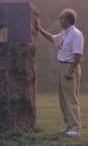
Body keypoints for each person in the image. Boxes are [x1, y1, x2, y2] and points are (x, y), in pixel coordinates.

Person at [35, 8, 84, 136]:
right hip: (61, 66)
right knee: (63, 99)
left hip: (70, 67)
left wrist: (70, 70)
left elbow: (78, 54)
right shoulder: (64, 33)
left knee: (71, 99)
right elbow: (52, 38)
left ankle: (75, 128)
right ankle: (69, 126)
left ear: (68, 20)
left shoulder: (76, 34)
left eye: (61, 18)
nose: (59, 20)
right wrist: (39, 29)